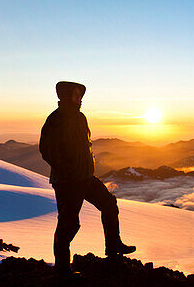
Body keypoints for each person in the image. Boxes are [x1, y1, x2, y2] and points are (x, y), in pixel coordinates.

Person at [39, 81, 136, 274]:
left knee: (109, 204)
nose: (79, 98)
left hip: (84, 177)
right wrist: (67, 169)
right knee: (69, 224)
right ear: (66, 96)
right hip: (67, 182)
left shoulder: (80, 117)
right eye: (75, 95)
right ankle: (62, 271)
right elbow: (46, 149)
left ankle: (113, 248)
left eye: (80, 95)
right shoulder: (55, 119)